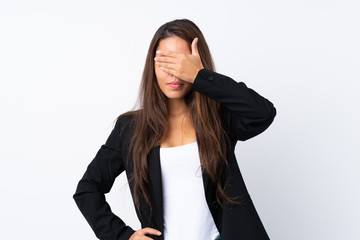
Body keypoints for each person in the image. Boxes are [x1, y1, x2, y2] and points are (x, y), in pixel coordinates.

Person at [73, 18, 277, 240]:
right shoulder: (130, 129)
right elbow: (87, 189)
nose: (174, 73)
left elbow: (263, 113)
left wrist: (199, 76)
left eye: (181, 63)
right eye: (165, 63)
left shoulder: (217, 120)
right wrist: (123, 236)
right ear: (152, 66)